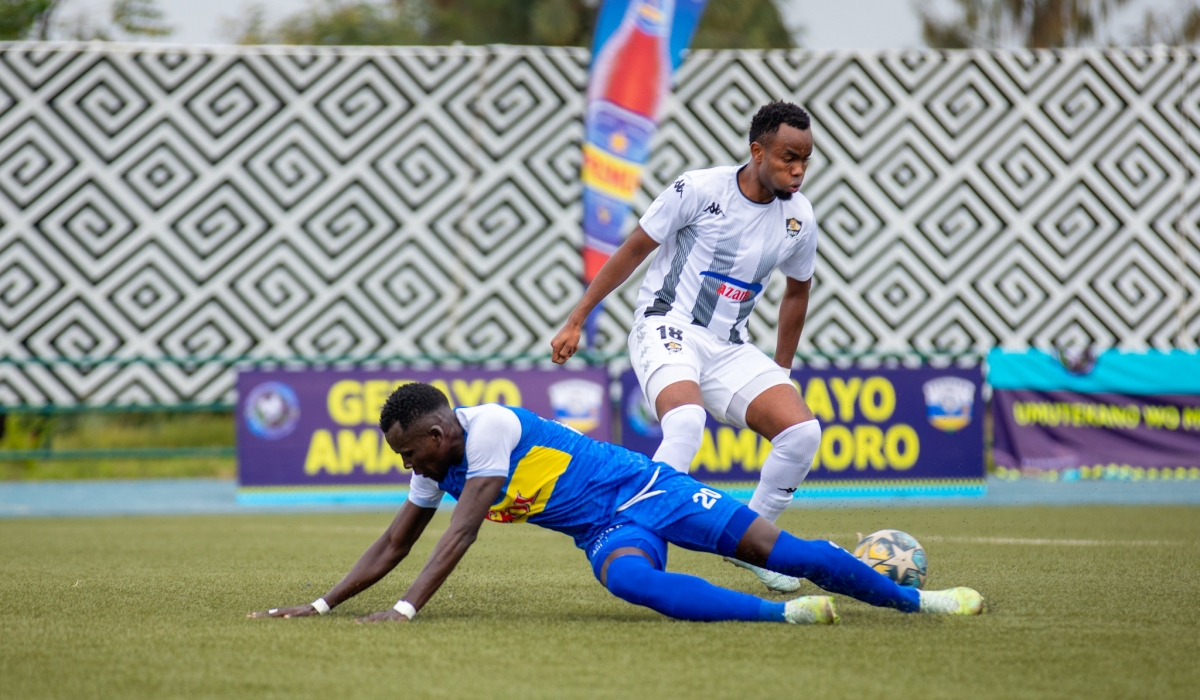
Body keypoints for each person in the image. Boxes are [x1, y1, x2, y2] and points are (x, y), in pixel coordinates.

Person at [250, 383, 983, 624]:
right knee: (631, 581)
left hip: (649, 489)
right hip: (604, 529)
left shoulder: (490, 427)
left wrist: (405, 610)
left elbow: (462, 533)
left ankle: (922, 602)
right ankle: (787, 616)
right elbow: (394, 543)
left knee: (779, 551)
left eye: (410, 453)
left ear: (438, 435)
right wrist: (319, 605)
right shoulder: (436, 466)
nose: (407, 466)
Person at [551, 101, 823, 592]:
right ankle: (635, 541)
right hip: (667, 325)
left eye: (805, 159)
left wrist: (781, 371)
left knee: (802, 434)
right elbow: (635, 248)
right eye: (788, 158)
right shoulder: (698, 189)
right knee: (685, 422)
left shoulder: (799, 218)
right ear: (757, 151)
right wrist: (577, 319)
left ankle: (753, 544)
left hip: (729, 346)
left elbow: (797, 293)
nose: (798, 170)